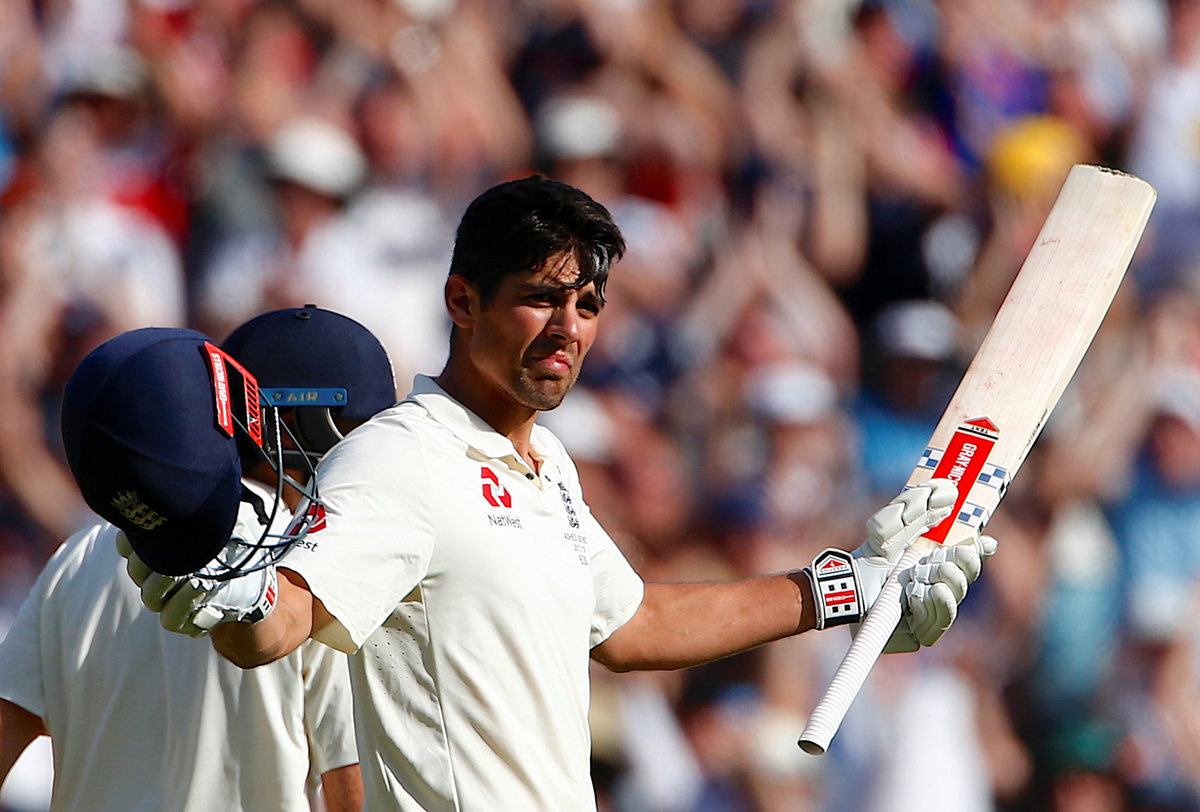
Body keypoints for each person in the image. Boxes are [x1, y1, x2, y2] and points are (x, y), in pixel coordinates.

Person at [138, 175, 997, 811]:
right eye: (541, 299)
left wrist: (844, 587)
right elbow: (279, 622)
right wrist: (230, 594)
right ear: (461, 300)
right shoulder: (399, 455)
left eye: (587, 303)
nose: (569, 329)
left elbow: (634, 625)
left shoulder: (548, 462)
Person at [0, 305, 397, 812]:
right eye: (359, 429)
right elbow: (354, 794)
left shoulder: (79, 556)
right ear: (297, 423)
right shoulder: (311, 575)